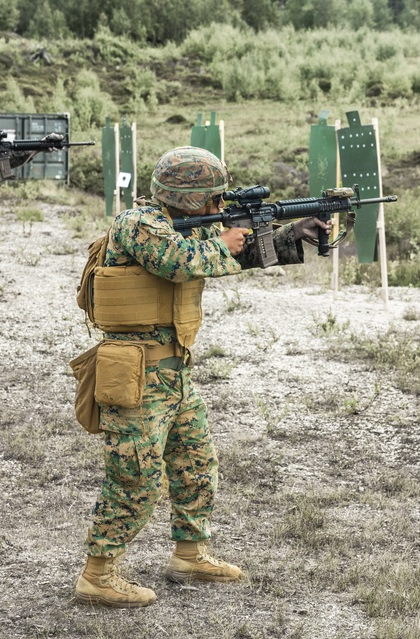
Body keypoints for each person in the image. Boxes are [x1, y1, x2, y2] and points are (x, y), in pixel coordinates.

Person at [74, 146, 332, 608]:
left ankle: (190, 555)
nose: (218, 208)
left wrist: (293, 233)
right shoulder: (140, 225)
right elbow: (182, 261)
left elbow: (237, 253)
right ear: (188, 199)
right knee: (134, 477)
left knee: (196, 463)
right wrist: (225, 239)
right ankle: (98, 574)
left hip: (174, 370)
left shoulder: (190, 225)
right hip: (135, 372)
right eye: (212, 200)